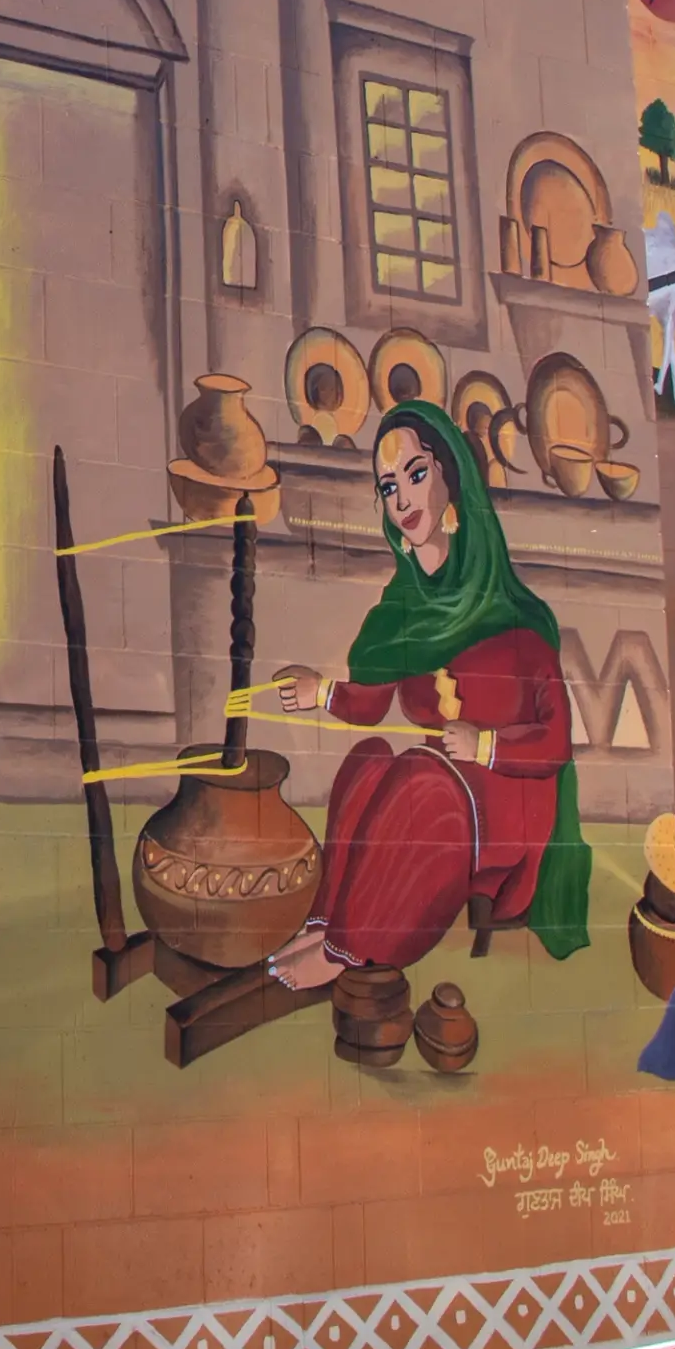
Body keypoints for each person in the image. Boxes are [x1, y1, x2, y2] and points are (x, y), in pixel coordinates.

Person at [261, 401, 590, 1044]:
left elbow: (553, 742)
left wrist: (486, 744)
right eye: (389, 487)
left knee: (418, 778)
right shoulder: (405, 609)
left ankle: (351, 948)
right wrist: (319, 691)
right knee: (372, 763)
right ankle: (331, 922)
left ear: (451, 482)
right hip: (447, 785)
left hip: (506, 805)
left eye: (415, 474)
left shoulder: (516, 616)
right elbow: (367, 703)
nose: (403, 498)